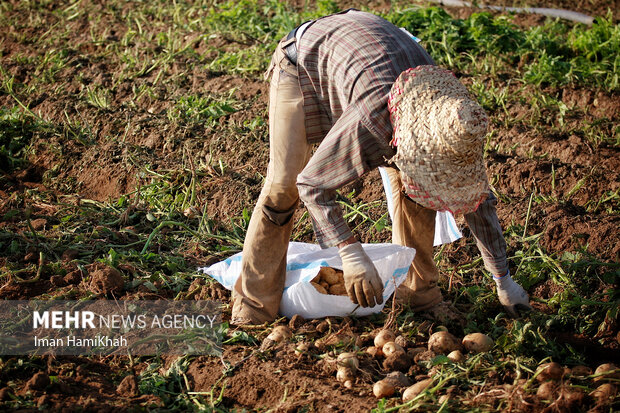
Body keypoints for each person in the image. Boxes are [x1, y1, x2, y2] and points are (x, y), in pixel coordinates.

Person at [231, 9, 531, 325]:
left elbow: (479, 203)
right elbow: (312, 184)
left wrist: (504, 280)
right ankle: (255, 302)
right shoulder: (369, 119)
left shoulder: (453, 123)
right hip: (304, 58)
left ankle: (420, 295)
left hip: (375, 57)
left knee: (416, 188)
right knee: (285, 185)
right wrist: (351, 253)